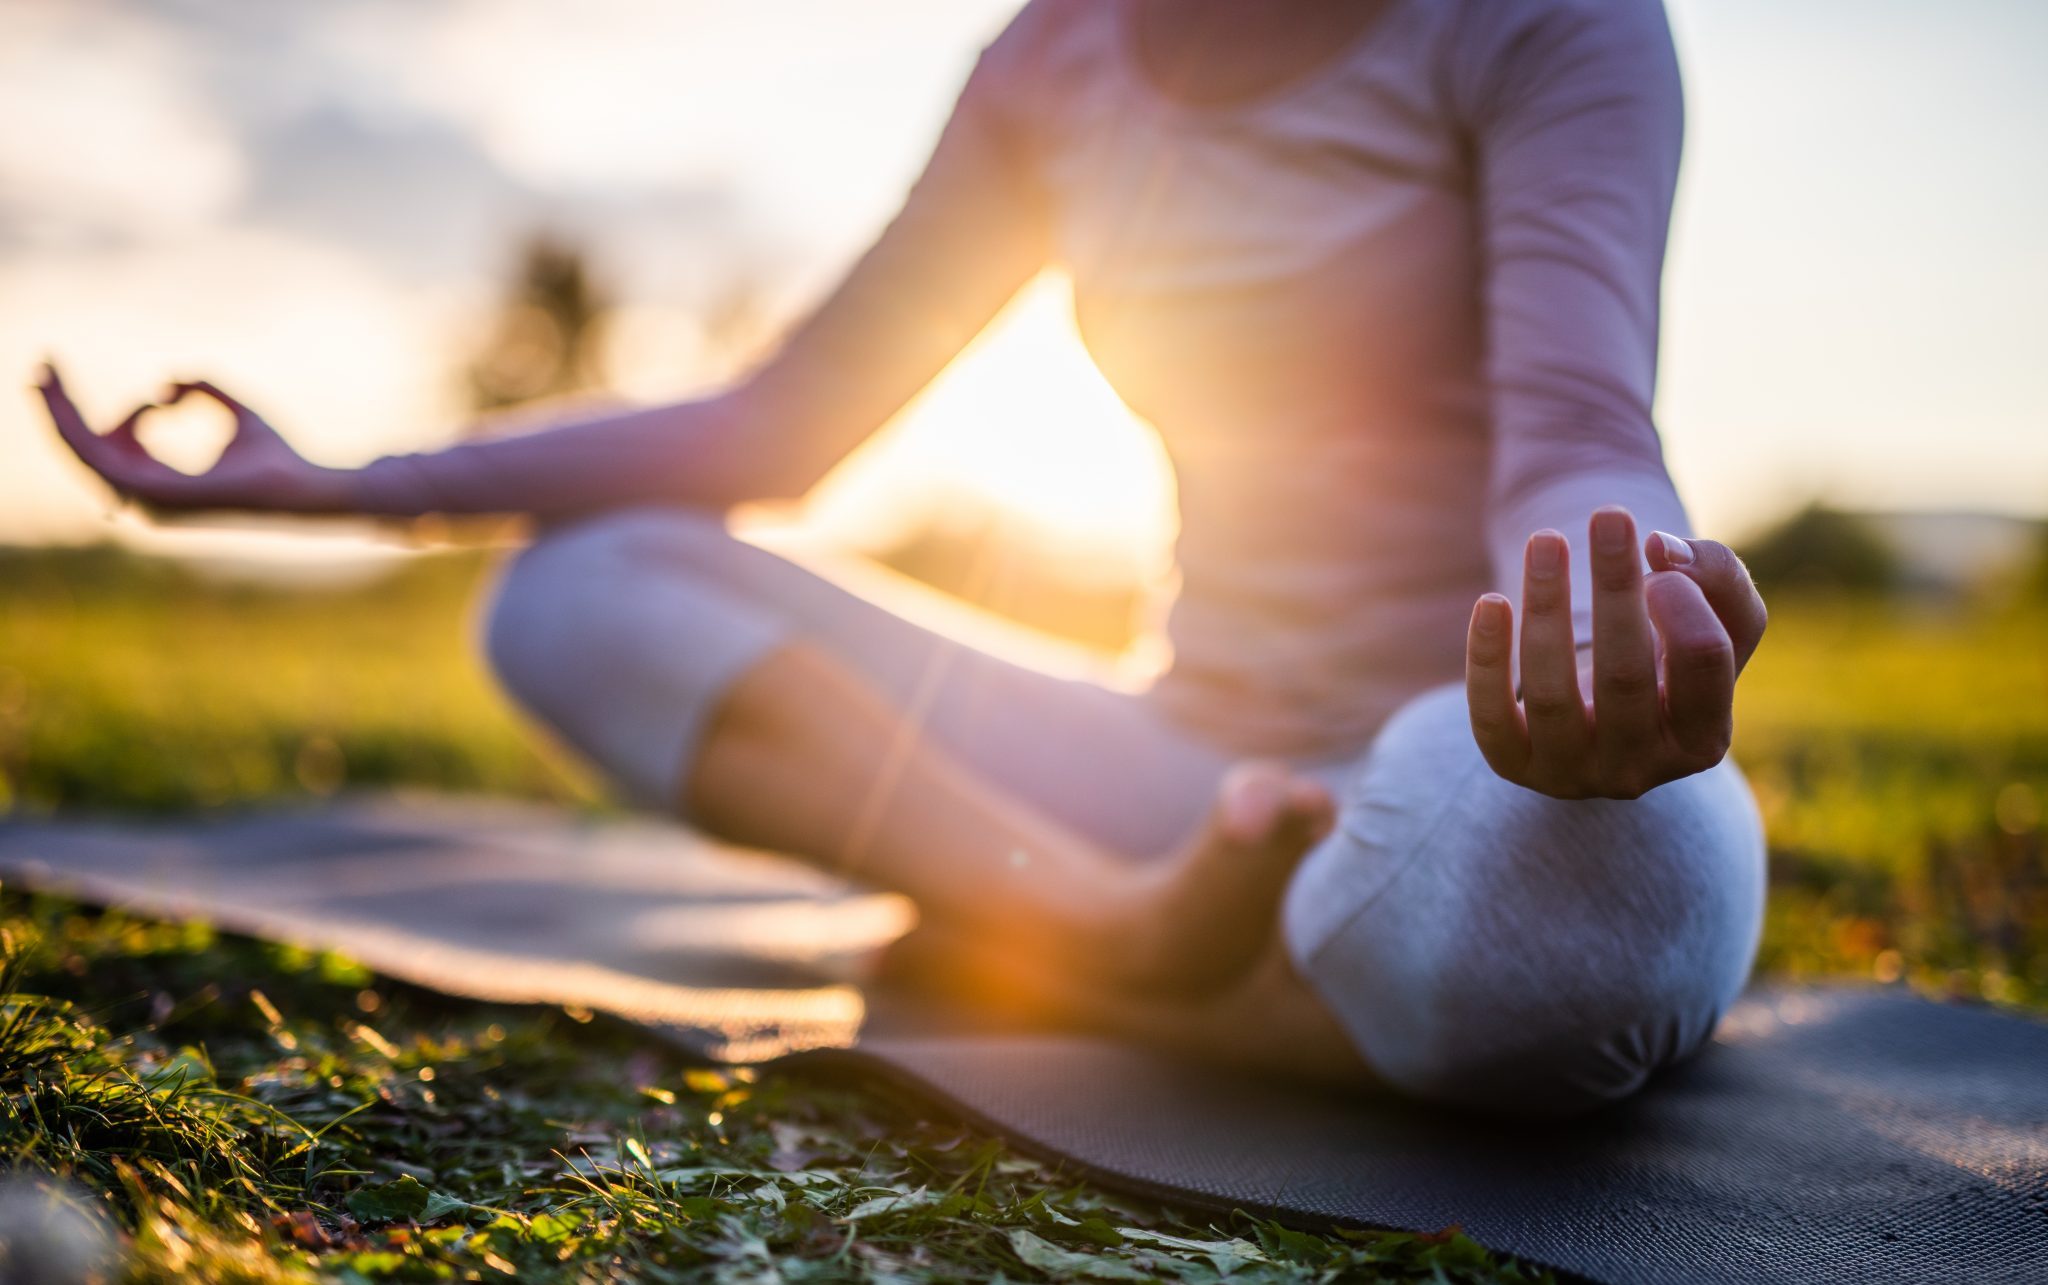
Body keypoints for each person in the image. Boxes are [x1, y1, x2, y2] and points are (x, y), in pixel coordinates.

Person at [38, 0, 1769, 1116]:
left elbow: (1574, 435)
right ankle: (1115, 935)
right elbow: (777, 428)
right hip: (1175, 773)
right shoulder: (1056, 65)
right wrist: (330, 483)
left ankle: (1077, 943)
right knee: (578, 587)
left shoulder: (1549, 24)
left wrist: (1607, 624)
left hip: (1461, 766)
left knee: (1595, 921)